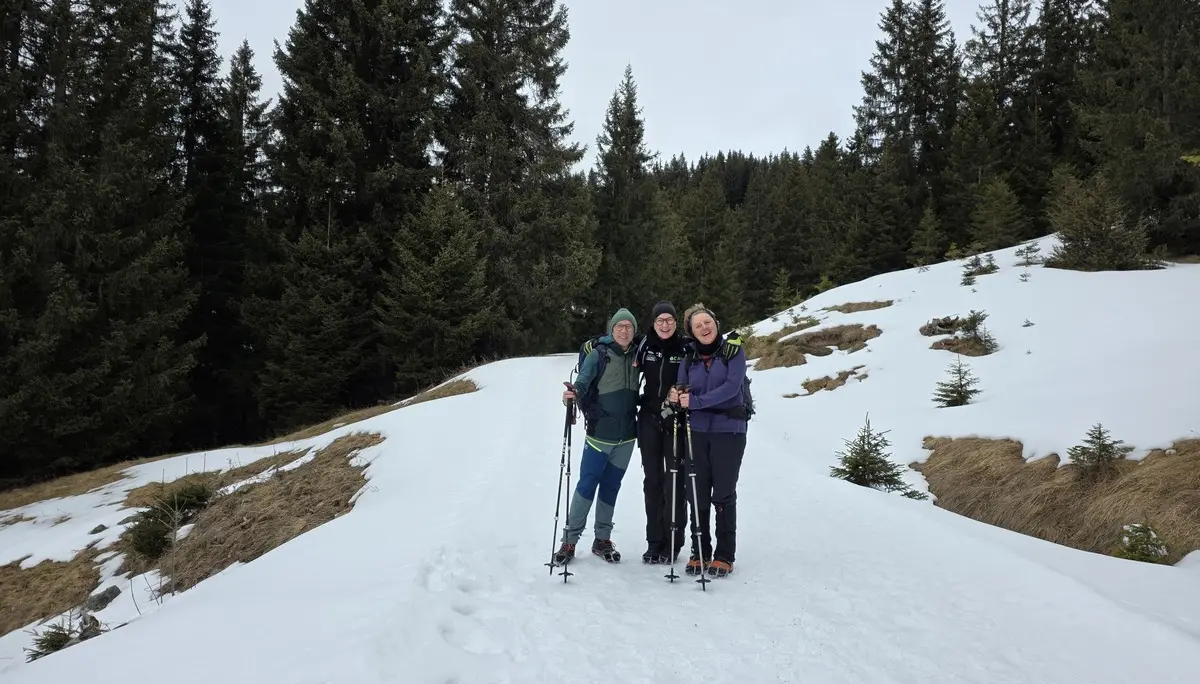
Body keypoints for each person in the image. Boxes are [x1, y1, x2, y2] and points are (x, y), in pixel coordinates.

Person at [554, 307, 642, 564]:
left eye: (629, 326)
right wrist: (571, 395)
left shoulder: (638, 354)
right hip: (599, 434)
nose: (624, 330)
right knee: (586, 485)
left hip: (626, 437)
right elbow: (581, 383)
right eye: (619, 326)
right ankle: (569, 542)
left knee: (611, 487)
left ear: (634, 331)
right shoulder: (599, 355)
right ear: (612, 330)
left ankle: (602, 538)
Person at [667, 303, 748, 578]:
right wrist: (676, 396)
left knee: (723, 491)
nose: (704, 327)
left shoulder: (733, 351)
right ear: (691, 331)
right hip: (697, 430)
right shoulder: (689, 356)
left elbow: (732, 388)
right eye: (698, 324)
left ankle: (724, 554)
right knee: (697, 490)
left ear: (716, 324)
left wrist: (697, 401)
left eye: (708, 322)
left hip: (729, 429)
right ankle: (699, 549)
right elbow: (680, 386)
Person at [633, 301, 690, 565]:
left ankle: (673, 542)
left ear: (675, 323)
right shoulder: (645, 346)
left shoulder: (685, 347)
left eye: (669, 320)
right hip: (649, 417)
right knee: (652, 480)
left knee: (674, 481)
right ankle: (654, 542)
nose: (664, 325)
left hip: (676, 419)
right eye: (660, 320)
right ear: (653, 323)